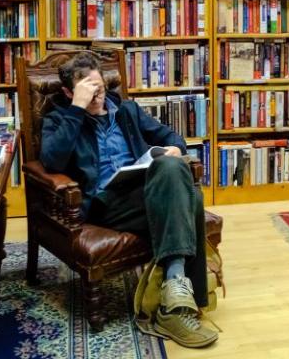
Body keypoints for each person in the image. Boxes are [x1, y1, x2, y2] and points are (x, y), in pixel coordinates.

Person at [40, 53, 218, 348]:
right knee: (192, 197)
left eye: (99, 88)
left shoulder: (127, 111)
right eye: (87, 91)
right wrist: (77, 109)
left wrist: (174, 148)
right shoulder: (59, 119)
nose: (97, 97)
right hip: (104, 204)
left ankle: (173, 300)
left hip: (144, 191)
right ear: (69, 92)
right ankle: (181, 301)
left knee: (172, 167)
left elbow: (171, 136)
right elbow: (51, 159)